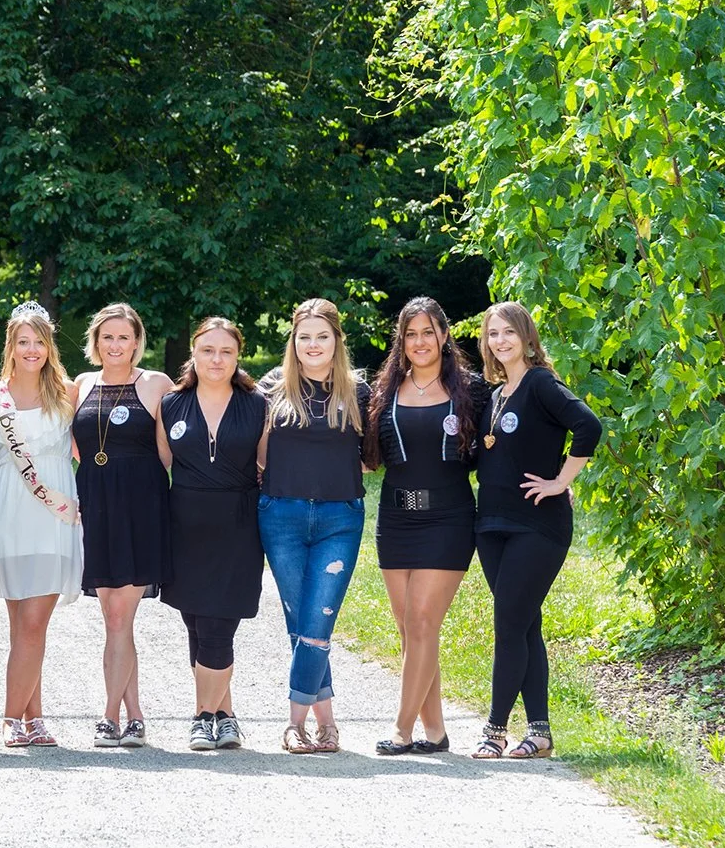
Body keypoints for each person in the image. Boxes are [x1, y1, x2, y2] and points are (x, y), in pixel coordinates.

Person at [471, 301, 602, 760]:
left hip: (536, 525)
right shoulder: (495, 394)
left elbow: (589, 426)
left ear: (527, 337)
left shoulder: (541, 383)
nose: (500, 341)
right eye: (492, 334)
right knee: (524, 624)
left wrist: (562, 481)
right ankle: (540, 732)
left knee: (509, 622)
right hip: (491, 525)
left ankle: (494, 730)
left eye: (508, 332)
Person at [366, 297, 488, 757]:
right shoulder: (383, 390)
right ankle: (435, 732)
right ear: (402, 341)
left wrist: (557, 476)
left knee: (421, 621)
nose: (420, 342)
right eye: (410, 334)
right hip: (396, 519)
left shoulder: (472, 391)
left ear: (443, 336)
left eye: (427, 332)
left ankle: (401, 729)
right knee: (412, 630)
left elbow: (507, 441)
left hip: (448, 518)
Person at [257, 298, 371, 755]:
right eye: (304, 336)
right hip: (281, 515)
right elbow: (255, 449)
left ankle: (294, 723)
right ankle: (327, 725)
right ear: (294, 340)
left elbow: (380, 450)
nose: (313, 344)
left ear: (336, 340)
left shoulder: (359, 390)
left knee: (318, 622)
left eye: (322, 336)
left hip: (339, 519)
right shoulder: (272, 388)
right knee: (299, 621)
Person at [156, 317, 268, 751]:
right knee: (197, 626)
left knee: (219, 627)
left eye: (226, 351)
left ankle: (201, 717)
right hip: (184, 527)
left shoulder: (257, 404)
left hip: (238, 528)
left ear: (237, 356)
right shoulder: (171, 404)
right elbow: (163, 463)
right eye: (207, 350)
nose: (216, 359)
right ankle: (226, 715)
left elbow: (266, 463)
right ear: (194, 354)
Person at [73, 302, 173, 748]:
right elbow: (75, 446)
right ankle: (135, 716)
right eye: (107, 337)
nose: (115, 345)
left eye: (124, 337)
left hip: (140, 507)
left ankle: (109, 717)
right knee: (115, 620)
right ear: (96, 342)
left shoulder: (154, 384)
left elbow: (169, 453)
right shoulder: (81, 384)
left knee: (118, 616)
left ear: (137, 341)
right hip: (96, 506)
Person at [0, 301, 83, 747]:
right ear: (11, 345)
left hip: (54, 512)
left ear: (49, 346)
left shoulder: (68, 392)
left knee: (33, 623)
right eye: (23, 341)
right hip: (9, 510)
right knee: (21, 622)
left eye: (39, 341)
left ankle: (10, 718)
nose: (31, 349)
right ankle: (33, 718)